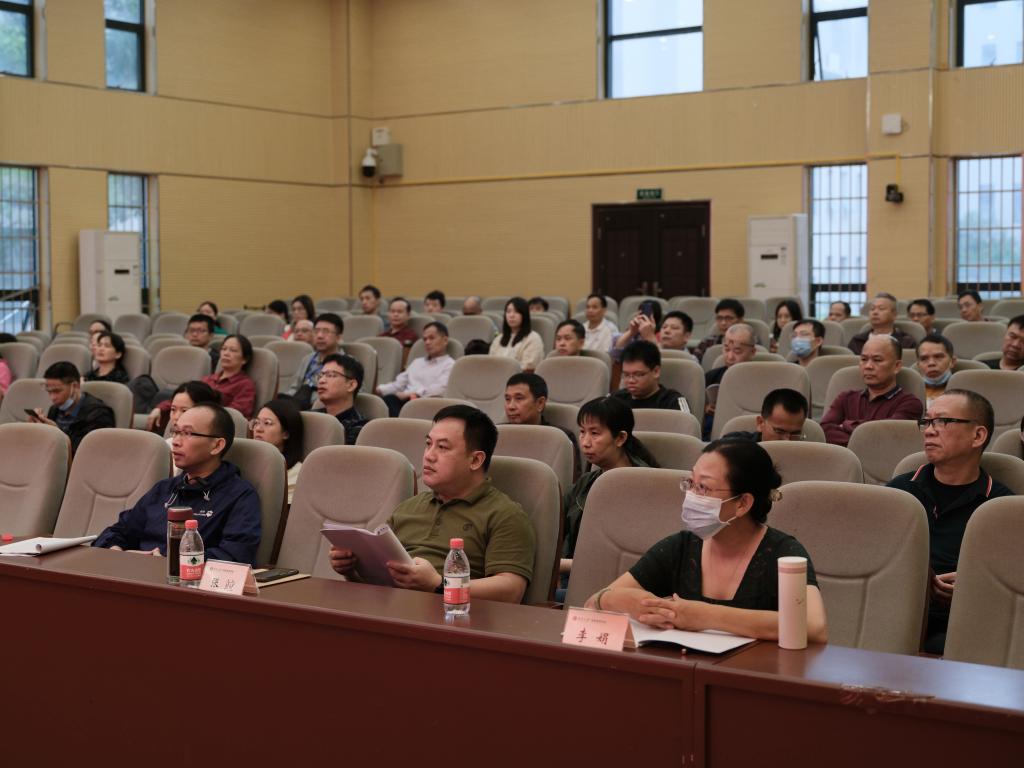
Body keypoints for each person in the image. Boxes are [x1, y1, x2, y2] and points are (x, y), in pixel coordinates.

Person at [585, 440, 827, 643]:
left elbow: (814, 627)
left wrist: (706, 616)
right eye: (691, 483)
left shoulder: (783, 552)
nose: (691, 496)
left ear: (743, 503)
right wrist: (623, 601)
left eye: (703, 488)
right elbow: (592, 605)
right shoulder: (680, 547)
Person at [329, 405, 536, 603]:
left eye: (442, 447)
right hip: (387, 610)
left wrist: (438, 584)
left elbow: (511, 591)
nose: (428, 456)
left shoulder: (504, 514)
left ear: (475, 460)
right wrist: (351, 569)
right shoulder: (409, 508)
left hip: (451, 618)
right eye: (428, 444)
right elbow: (380, 582)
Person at [888, 390, 1012, 654]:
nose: (929, 431)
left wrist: (974, 586)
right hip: (894, 614)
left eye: (942, 421)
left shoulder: (1002, 506)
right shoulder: (899, 491)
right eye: (926, 422)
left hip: (969, 624)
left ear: (978, 436)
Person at [93, 403, 261, 565]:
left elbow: (235, 557)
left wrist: (170, 562)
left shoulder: (240, 496)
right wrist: (118, 553)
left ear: (217, 445)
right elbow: (117, 532)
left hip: (189, 581)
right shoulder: (164, 489)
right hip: (138, 574)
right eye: (176, 432)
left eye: (187, 433)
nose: (175, 441)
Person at [562, 397, 659, 568]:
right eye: (582, 432)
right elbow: (557, 526)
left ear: (620, 438)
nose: (585, 442)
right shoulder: (586, 482)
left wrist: (562, 566)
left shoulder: (645, 486)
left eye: (595, 433)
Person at [821, 334, 924, 446]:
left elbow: (885, 436)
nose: (868, 366)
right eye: (864, 359)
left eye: (877, 360)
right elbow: (824, 430)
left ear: (897, 366)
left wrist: (845, 424)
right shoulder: (845, 398)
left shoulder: (910, 404)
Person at [503, 372, 581, 480]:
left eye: (519, 398)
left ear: (540, 403)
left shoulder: (560, 438)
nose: (510, 406)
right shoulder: (496, 433)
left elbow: (570, 482)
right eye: (507, 399)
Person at [28, 362, 116, 452]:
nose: (52, 397)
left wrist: (58, 433)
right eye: (49, 391)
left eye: (57, 391)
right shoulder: (54, 409)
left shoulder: (99, 414)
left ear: (75, 386)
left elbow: (90, 452)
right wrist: (38, 430)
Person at [377, 321, 454, 417]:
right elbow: (398, 384)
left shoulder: (450, 365)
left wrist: (412, 394)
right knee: (388, 399)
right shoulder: (417, 362)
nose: (427, 342)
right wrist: (379, 389)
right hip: (405, 402)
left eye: (431, 338)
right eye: (425, 339)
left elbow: (438, 391)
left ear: (445, 340)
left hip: (428, 405)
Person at [251, 398, 305, 504]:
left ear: (286, 433)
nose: (258, 429)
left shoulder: (298, 473)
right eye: (256, 423)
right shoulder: (245, 462)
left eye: (267, 423)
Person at [286, 312, 344, 409]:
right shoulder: (307, 359)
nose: (320, 336)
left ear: (338, 337)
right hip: (298, 405)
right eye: (316, 331)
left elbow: (356, 395)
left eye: (326, 331)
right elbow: (295, 388)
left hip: (325, 409)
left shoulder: (347, 363)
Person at [163, 380, 222, 475]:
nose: (176, 417)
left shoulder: (206, 451)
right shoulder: (166, 446)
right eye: (173, 409)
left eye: (184, 410)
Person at [312, 353, 368, 444]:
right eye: (320, 376)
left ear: (351, 385)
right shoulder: (309, 418)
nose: (321, 381)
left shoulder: (360, 428)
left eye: (330, 375)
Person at [612, 340, 684, 410]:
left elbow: (686, 418)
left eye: (638, 375)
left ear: (656, 371)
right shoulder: (615, 400)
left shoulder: (673, 401)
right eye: (626, 375)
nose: (631, 380)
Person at [722, 388, 808, 442]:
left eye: (795, 434)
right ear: (760, 423)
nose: (787, 440)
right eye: (779, 431)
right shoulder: (732, 447)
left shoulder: (809, 454)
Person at [848, 293, 918, 355]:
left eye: (881, 309)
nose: (875, 312)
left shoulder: (906, 342)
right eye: (872, 309)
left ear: (894, 314)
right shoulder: (857, 341)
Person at [489, 296, 544, 372]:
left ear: (524, 315)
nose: (511, 315)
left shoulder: (533, 338)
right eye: (508, 311)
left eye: (516, 312)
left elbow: (529, 367)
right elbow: (490, 363)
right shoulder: (498, 339)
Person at [705, 323, 757, 387]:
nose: (730, 357)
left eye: (737, 351)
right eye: (727, 349)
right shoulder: (711, 378)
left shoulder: (762, 378)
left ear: (752, 352)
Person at [916, 334, 957, 405]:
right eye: (924, 359)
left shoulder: (964, 391)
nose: (931, 363)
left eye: (938, 357)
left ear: (952, 362)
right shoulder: (910, 391)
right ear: (918, 365)